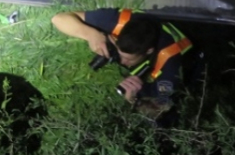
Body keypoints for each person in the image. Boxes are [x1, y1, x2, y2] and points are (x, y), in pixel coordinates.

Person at [51, 7, 203, 126]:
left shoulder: (171, 66)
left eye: (128, 59)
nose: (121, 61)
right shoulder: (120, 21)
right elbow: (59, 19)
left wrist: (134, 100)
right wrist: (91, 34)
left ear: (148, 51)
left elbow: (160, 110)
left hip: (191, 62)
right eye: (119, 54)